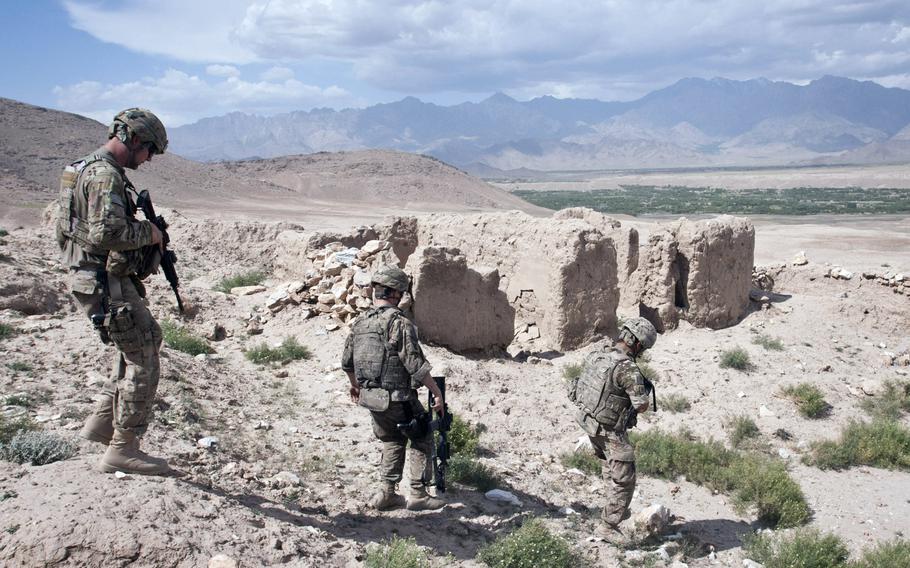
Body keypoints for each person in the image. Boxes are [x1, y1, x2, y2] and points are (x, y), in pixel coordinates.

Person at [55, 108, 175, 476]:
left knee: (138, 345)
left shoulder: (83, 167)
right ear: (133, 138)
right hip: (103, 281)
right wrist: (150, 234)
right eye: (149, 149)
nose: (149, 158)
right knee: (144, 352)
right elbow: (105, 234)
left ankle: (101, 426)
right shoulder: (105, 175)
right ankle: (123, 448)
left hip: (99, 277)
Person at [342, 265, 446, 511]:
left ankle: (387, 494)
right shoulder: (399, 323)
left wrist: (355, 386)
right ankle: (419, 495)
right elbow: (414, 363)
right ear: (397, 294)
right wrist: (437, 392)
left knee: (392, 440)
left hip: (372, 398)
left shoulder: (360, 323)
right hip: (397, 397)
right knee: (421, 436)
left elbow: (347, 362)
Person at [567, 317, 658, 539]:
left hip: (588, 422)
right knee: (625, 479)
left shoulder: (598, 354)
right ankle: (608, 526)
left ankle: (611, 505)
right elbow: (642, 405)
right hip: (609, 431)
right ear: (637, 343)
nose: (641, 352)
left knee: (610, 468)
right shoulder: (627, 368)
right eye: (642, 348)